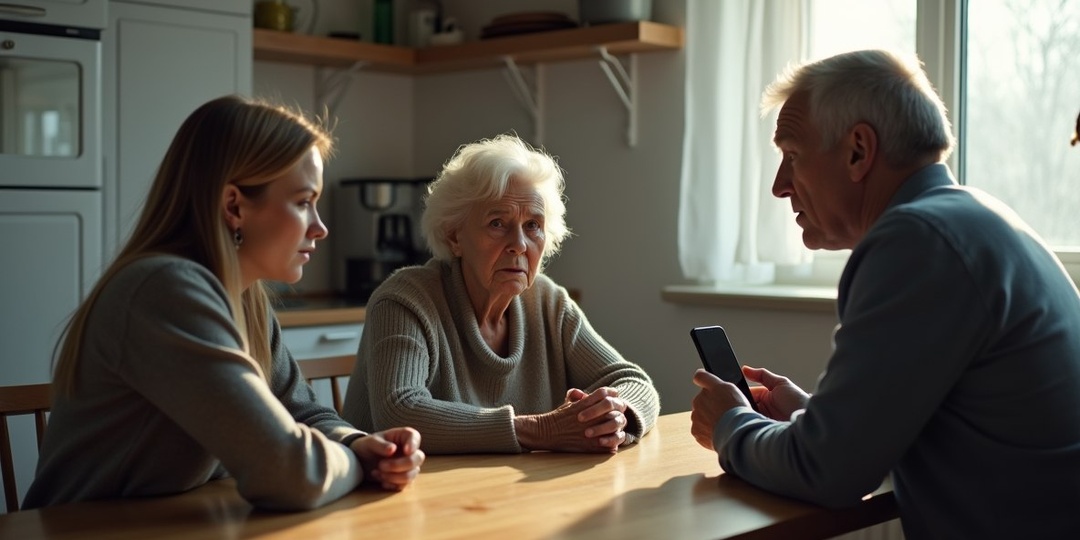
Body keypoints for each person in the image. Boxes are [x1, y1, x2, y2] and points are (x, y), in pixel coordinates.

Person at [690, 49, 1080, 538]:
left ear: (858, 151)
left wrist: (730, 424)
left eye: (791, 155)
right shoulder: (975, 219)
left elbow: (827, 472)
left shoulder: (917, 242)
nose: (779, 186)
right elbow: (879, 443)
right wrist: (811, 417)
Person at [23, 95, 425, 511]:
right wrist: (357, 463)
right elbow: (289, 472)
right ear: (234, 205)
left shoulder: (245, 300)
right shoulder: (164, 291)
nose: (320, 228)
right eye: (304, 202)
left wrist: (357, 443)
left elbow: (303, 413)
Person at [341, 133, 660, 454]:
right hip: (397, 482)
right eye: (497, 223)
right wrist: (541, 429)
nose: (519, 244)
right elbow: (399, 411)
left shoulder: (548, 302)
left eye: (533, 225)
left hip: (506, 484)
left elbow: (632, 381)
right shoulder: (406, 299)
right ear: (454, 237)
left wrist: (612, 418)